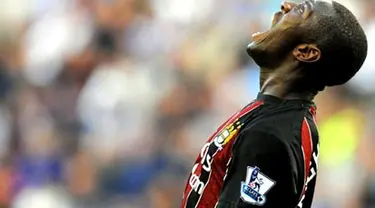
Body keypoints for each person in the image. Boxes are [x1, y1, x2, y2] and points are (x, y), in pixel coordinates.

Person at [180, 0, 368, 207]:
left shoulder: (269, 134)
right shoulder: (287, 119)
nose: (285, 5)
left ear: (305, 52)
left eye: (300, 10)